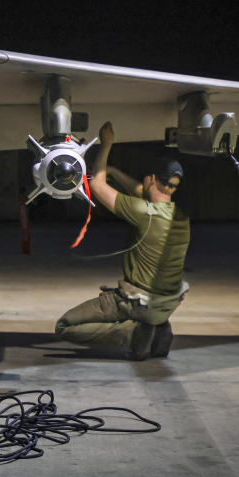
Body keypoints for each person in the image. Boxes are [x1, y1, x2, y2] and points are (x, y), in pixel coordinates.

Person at [55, 121, 190, 360]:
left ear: (150, 178)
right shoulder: (179, 215)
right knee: (152, 312)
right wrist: (115, 172)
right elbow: (143, 191)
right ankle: (158, 333)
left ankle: (135, 335)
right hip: (167, 303)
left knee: (65, 326)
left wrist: (107, 144)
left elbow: (97, 184)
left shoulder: (142, 213)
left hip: (136, 303)